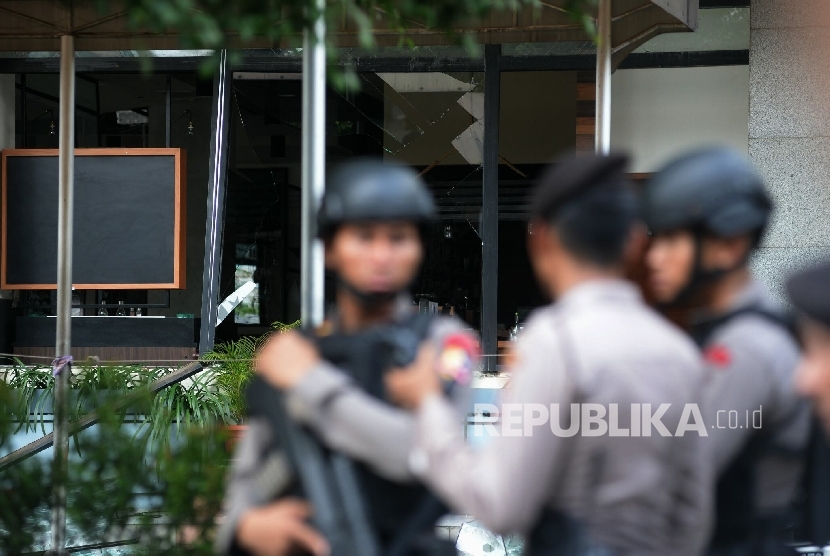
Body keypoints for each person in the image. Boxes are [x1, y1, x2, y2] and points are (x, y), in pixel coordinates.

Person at [384, 153, 712, 555]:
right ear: (634, 243)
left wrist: (429, 406)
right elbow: (694, 515)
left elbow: (498, 506)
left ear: (540, 239)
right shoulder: (680, 351)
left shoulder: (554, 344)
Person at [215, 159, 475, 556]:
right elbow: (250, 474)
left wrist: (310, 382)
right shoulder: (296, 350)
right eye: (363, 237)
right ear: (330, 250)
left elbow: (421, 457)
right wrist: (247, 525)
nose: (382, 255)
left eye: (398, 238)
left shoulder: (446, 343)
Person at [641, 147, 810, 555]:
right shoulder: (727, 333)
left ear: (730, 245)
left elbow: (673, 482)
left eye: (671, 238)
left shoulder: (744, 349)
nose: (654, 257)